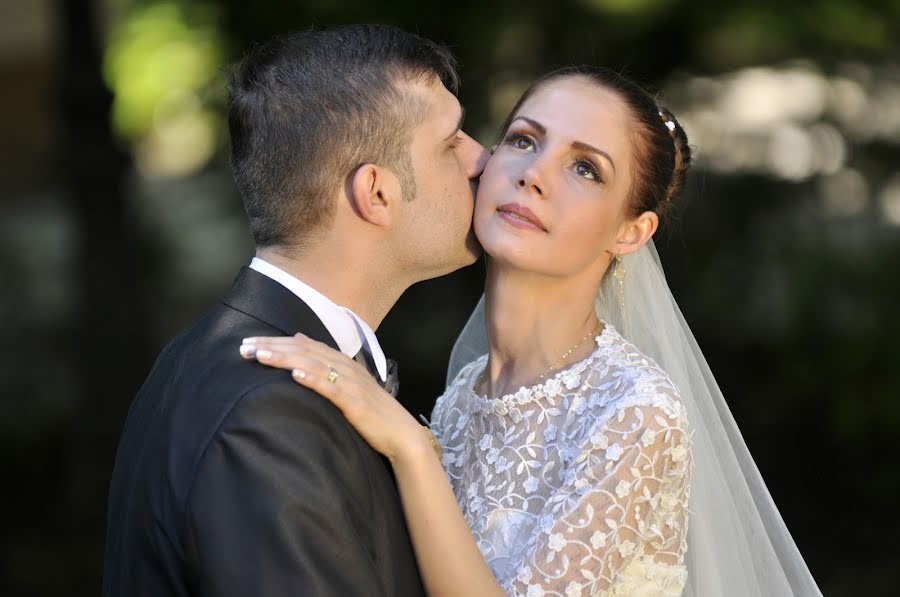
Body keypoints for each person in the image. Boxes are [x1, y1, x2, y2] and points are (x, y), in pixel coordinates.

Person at [244, 66, 824, 596]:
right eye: (524, 139)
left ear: (630, 231)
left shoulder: (635, 411)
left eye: (585, 168)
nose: (535, 176)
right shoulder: (466, 395)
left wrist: (412, 449)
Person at [102, 25, 488, 597]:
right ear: (376, 193)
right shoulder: (266, 419)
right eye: (452, 141)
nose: (483, 157)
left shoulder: (232, 361)